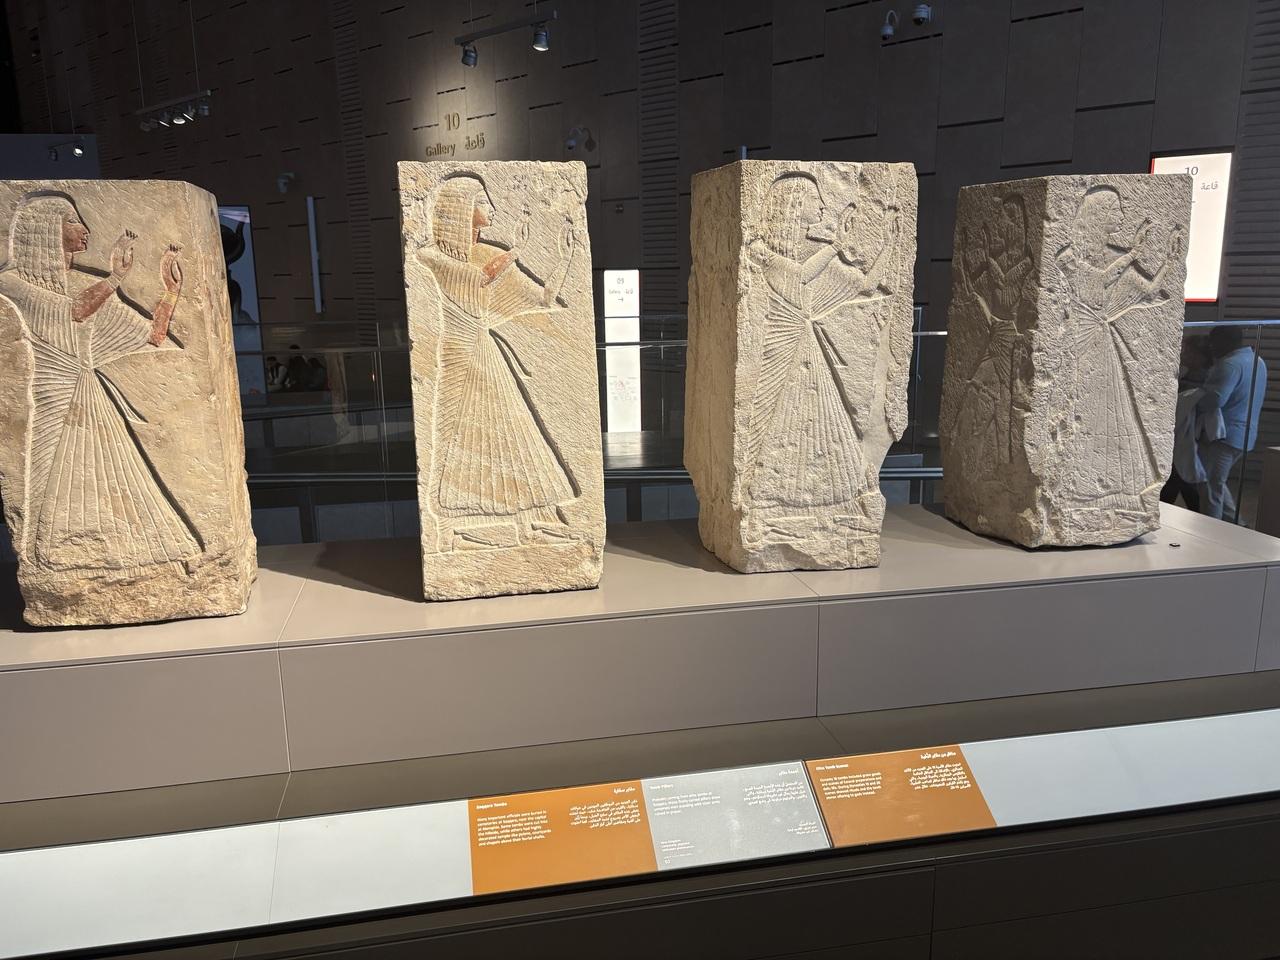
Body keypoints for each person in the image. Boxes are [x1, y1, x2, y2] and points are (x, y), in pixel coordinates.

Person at [0, 192, 197, 567]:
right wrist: (116, 278)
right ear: (46, 230)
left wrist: (171, 292)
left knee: (115, 486)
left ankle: (120, 564)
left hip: (93, 401)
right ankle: (54, 565)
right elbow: (70, 313)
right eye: (74, 221)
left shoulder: (84, 282)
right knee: (47, 488)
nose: (86, 229)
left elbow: (153, 336)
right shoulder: (11, 283)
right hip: (49, 398)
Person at [1197, 325, 1268, 520]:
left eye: (1213, 343)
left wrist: (1192, 398)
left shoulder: (1229, 364)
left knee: (1210, 488)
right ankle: (1237, 524)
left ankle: (1211, 530)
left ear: (1224, 342)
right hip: (1245, 435)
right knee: (1217, 482)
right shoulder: (1257, 361)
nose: (1211, 348)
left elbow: (1215, 400)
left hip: (1223, 436)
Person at [1161, 335, 1213, 511]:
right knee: (1180, 477)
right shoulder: (1187, 375)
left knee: (1181, 477)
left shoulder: (1202, 378)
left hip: (1189, 436)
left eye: (1189, 351)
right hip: (1182, 435)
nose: (1184, 354)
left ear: (1201, 355)